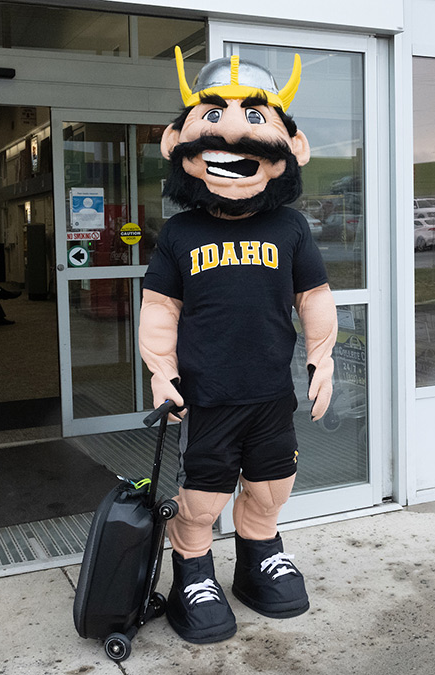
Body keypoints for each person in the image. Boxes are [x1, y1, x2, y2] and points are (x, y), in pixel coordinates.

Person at [138, 48, 338, 645]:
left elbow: (315, 296)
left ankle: (258, 559)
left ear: (288, 150)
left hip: (270, 391)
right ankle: (193, 575)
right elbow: (158, 311)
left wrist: (321, 359)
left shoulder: (290, 227)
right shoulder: (179, 233)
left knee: (272, 486)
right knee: (202, 499)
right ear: (182, 145)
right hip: (210, 395)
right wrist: (160, 373)